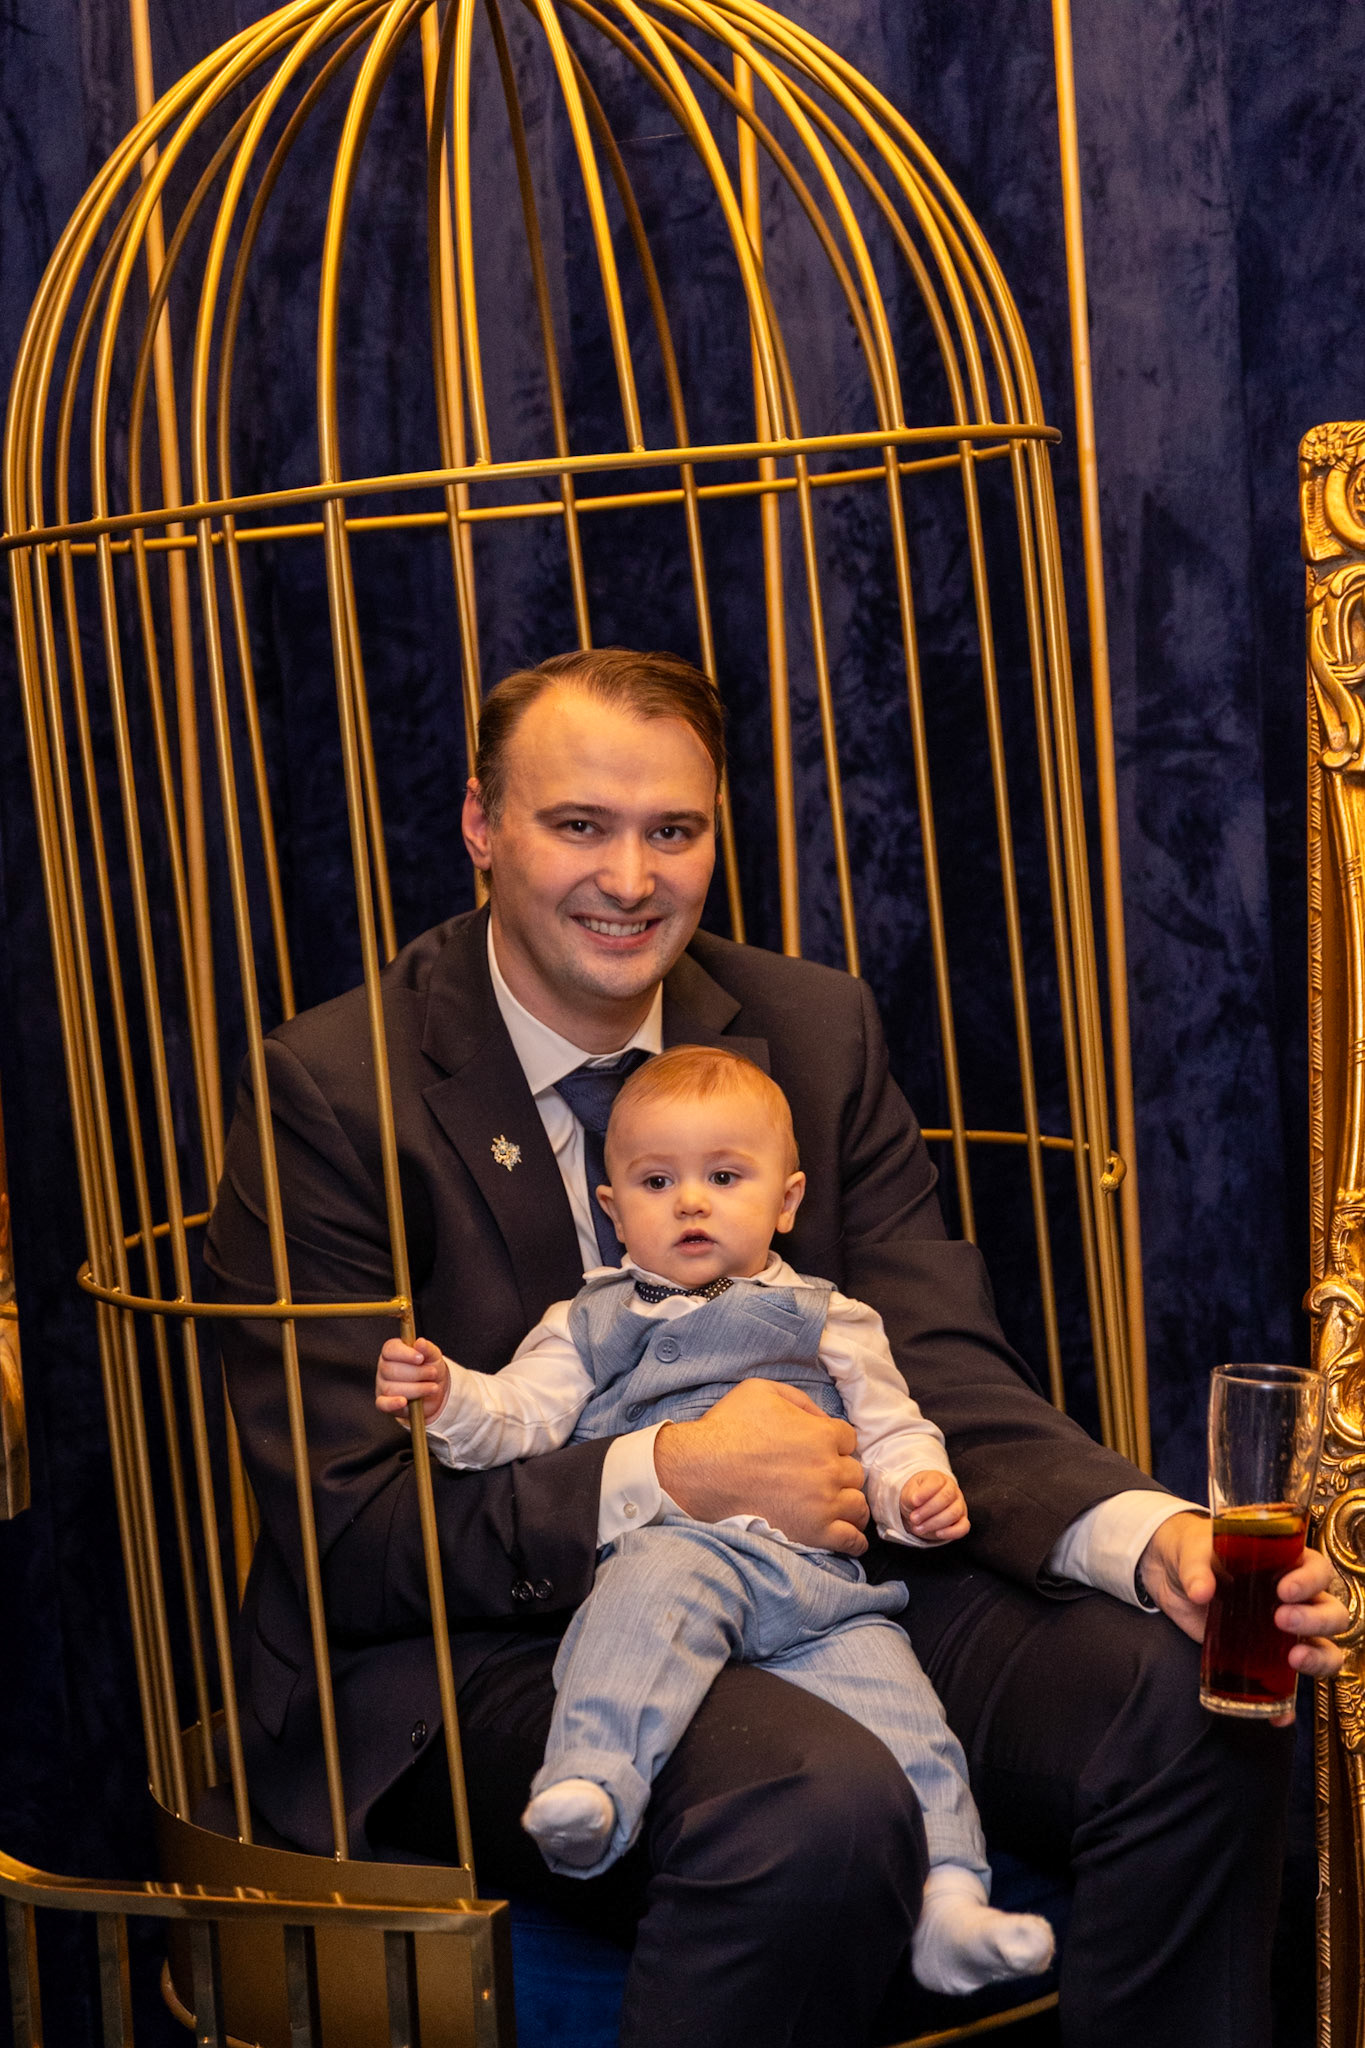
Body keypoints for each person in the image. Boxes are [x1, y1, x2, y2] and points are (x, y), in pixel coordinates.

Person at [206, 646, 1348, 2048]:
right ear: (481, 827)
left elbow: (942, 1367)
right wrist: (670, 1472)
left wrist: (1147, 1534)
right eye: (580, 824)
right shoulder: (334, 1087)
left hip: (823, 1580)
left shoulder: (812, 1026)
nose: (632, 877)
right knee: (820, 1799)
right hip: (482, 1640)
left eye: (674, 829)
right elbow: (352, 1534)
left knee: (1192, 1699)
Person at [375, 1044, 1057, 1998]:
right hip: (676, 1551)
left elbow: (891, 1427)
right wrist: (449, 1396)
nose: (690, 1203)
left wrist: (914, 1490)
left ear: (786, 1200)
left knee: (908, 1718)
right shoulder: (589, 1319)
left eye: (724, 1178)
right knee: (631, 1621)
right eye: (656, 1182)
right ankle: (590, 1788)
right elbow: (520, 1415)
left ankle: (949, 1901)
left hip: (819, 1586)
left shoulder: (830, 1317)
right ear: (613, 1209)